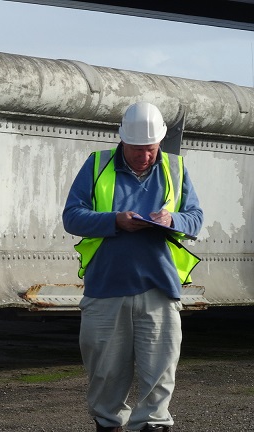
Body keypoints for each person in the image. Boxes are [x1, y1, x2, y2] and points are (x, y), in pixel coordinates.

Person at [62, 102, 203, 432]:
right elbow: (72, 216)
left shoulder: (176, 168)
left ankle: (153, 425)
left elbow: (195, 218)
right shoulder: (97, 165)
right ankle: (109, 424)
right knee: (105, 376)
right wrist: (115, 221)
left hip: (159, 290)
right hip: (106, 289)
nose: (144, 157)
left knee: (159, 376)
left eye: (150, 150)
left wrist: (173, 219)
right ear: (122, 140)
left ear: (160, 144)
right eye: (137, 150)